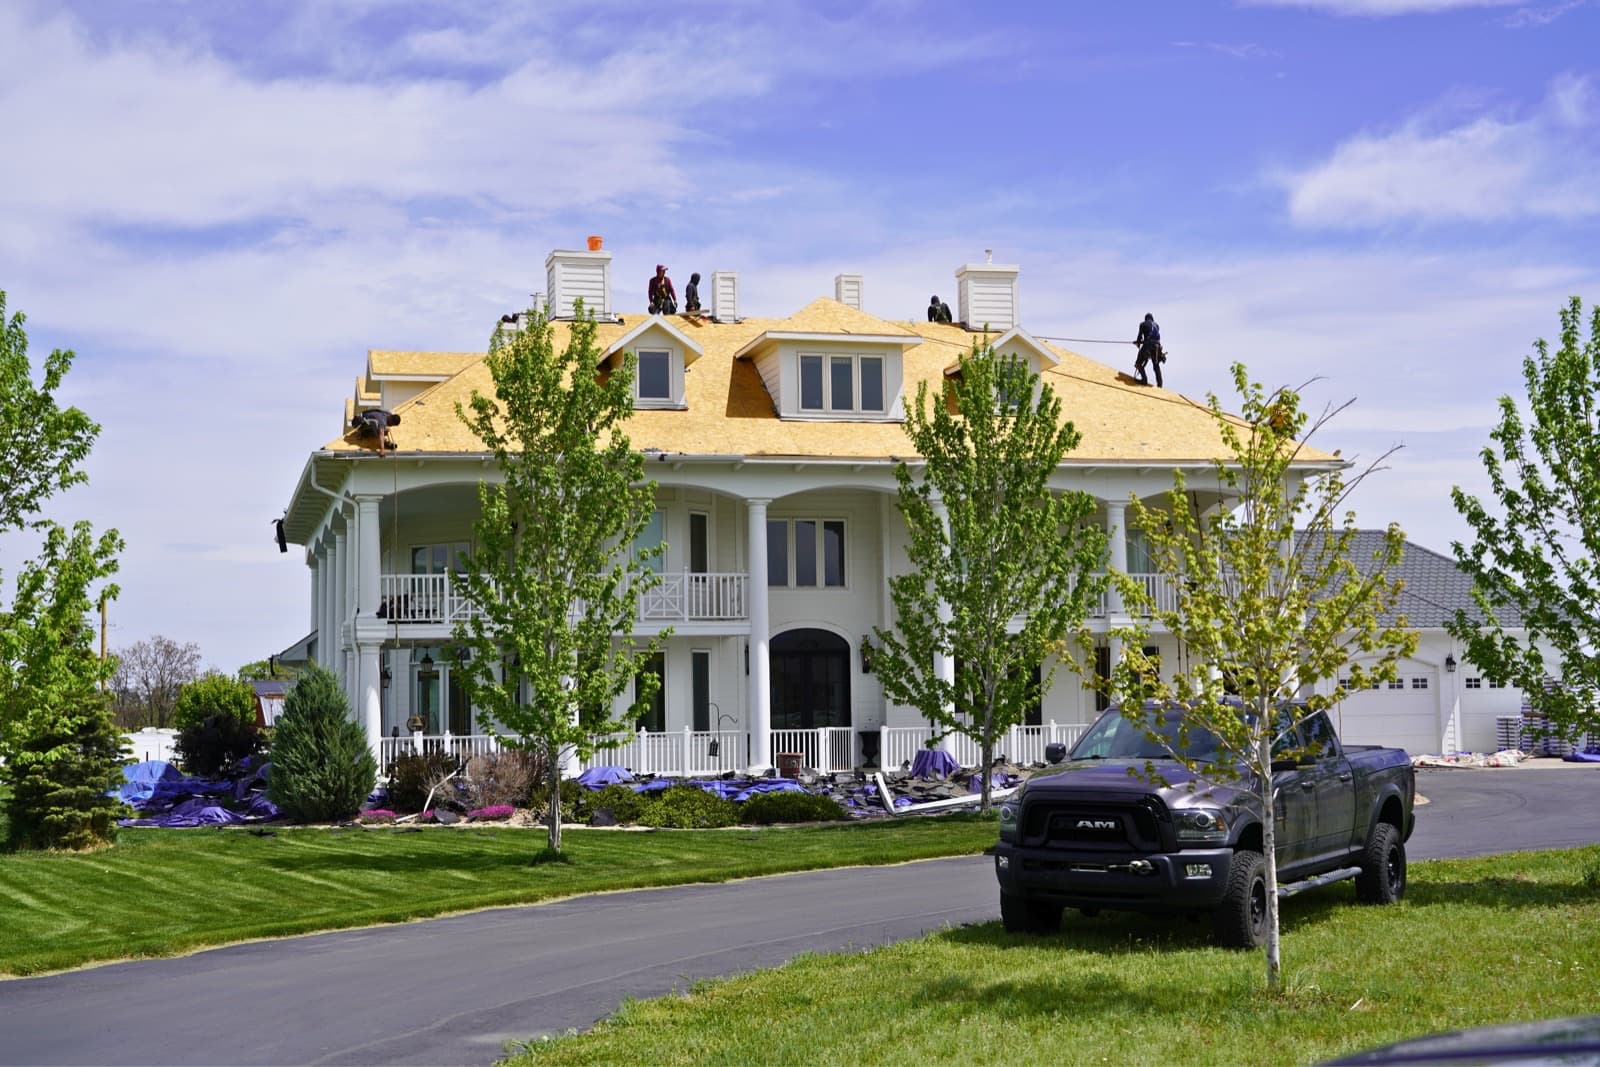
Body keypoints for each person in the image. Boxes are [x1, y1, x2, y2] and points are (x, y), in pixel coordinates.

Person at [1134, 312, 1164, 388]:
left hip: (1148, 345)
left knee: (1138, 363)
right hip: (1157, 346)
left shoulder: (1142, 324)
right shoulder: (1156, 325)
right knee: (1156, 365)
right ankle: (1160, 384)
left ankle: (1144, 380)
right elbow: (1154, 336)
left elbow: (1140, 336)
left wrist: (1138, 342)